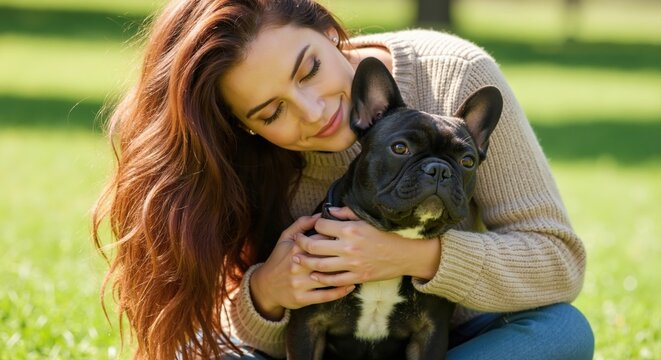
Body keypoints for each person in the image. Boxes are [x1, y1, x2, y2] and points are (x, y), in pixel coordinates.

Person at [92, 0, 594, 359]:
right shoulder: (237, 157)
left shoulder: (454, 75)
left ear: (328, 29)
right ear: (243, 126)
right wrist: (267, 293)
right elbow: (231, 331)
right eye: (272, 113)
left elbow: (557, 263)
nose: (312, 112)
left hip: (457, 337)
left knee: (561, 330)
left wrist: (412, 255)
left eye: (309, 69)